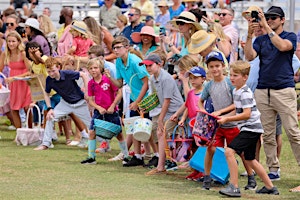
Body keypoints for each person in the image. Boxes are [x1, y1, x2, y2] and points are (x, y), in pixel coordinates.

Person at [244, 6, 300, 182]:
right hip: (263, 90)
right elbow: (249, 56)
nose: (269, 20)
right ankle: (273, 169)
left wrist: (266, 28)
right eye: (267, 17)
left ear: (282, 19)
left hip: (284, 89)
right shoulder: (261, 40)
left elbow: (283, 47)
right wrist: (248, 34)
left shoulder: (289, 36)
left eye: (273, 17)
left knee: (292, 132)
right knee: (267, 134)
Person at [218, 60, 279, 197]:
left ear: (245, 77)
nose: (232, 78)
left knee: (229, 151)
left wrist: (227, 119)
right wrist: (222, 115)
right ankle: (270, 187)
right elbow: (238, 111)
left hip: (250, 129)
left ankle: (234, 186)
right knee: (251, 159)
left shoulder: (245, 92)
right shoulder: (236, 91)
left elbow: (246, 114)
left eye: (235, 75)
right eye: (231, 75)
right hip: (251, 129)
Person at [198, 51, 256, 190]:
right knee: (210, 149)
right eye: (211, 66)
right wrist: (204, 112)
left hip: (232, 124)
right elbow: (201, 101)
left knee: (241, 152)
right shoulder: (209, 85)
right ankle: (207, 178)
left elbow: (236, 104)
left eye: (217, 66)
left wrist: (222, 113)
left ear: (223, 66)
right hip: (218, 125)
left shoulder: (229, 83)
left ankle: (251, 177)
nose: (215, 69)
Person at [104, 36, 149, 167]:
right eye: (114, 48)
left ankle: (155, 156)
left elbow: (146, 82)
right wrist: (109, 77)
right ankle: (137, 156)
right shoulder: (118, 62)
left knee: (148, 129)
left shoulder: (135, 61)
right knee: (135, 126)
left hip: (146, 97)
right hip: (135, 97)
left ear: (127, 48)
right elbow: (119, 84)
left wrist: (138, 101)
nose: (116, 50)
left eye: (119, 47)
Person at [33, 57, 91, 150]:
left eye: (53, 71)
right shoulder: (49, 79)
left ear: (58, 67)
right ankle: (46, 144)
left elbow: (84, 75)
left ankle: (102, 143)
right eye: (49, 71)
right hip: (65, 103)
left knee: (91, 125)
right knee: (50, 117)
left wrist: (87, 92)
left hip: (80, 103)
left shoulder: (67, 74)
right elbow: (46, 94)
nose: (51, 74)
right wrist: (49, 108)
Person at [80, 59, 129, 164]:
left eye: (96, 68)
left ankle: (126, 156)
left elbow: (119, 93)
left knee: (119, 134)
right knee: (92, 132)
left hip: (112, 112)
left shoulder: (108, 79)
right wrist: (98, 108)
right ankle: (91, 157)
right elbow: (90, 99)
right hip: (99, 112)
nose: (93, 70)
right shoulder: (90, 83)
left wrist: (112, 106)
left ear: (100, 68)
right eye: (91, 68)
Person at [143, 53, 183, 175]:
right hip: (165, 110)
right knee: (159, 133)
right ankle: (162, 163)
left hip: (175, 110)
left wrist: (160, 118)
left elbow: (167, 100)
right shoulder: (152, 78)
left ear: (159, 64)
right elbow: (156, 97)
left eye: (150, 65)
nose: (148, 68)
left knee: (163, 133)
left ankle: (162, 165)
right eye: (146, 66)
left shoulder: (166, 78)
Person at [170, 66, 206, 180]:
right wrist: (181, 117)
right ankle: (195, 170)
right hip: (191, 125)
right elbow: (187, 105)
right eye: (191, 78)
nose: (193, 80)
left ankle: (203, 170)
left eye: (195, 78)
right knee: (193, 148)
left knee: (202, 148)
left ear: (203, 79)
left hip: (201, 126)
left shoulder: (205, 93)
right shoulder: (190, 93)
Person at [0, 31, 32, 129]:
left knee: (27, 107)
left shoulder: (23, 53)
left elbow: (30, 71)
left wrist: (14, 78)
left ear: (18, 42)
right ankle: (19, 132)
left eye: (13, 41)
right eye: (9, 41)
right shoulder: (5, 54)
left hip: (25, 82)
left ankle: (30, 130)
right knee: (14, 108)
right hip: (13, 84)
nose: (11, 44)